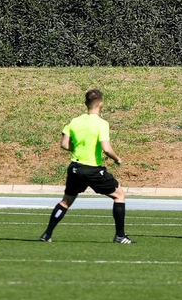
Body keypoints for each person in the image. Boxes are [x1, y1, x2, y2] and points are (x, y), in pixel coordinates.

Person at [40, 89, 132, 244]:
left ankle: (47, 234)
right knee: (119, 195)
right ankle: (120, 236)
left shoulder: (75, 121)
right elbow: (107, 148)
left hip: (75, 168)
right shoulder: (102, 123)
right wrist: (117, 159)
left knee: (65, 202)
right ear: (101, 103)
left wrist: (76, 149)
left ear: (85, 104)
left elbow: (63, 144)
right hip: (93, 169)